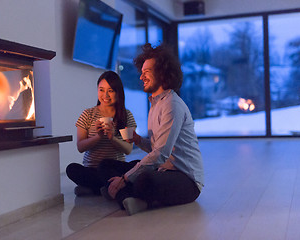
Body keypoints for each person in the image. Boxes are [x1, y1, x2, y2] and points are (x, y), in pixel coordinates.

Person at [98, 43, 204, 215]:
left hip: (186, 180)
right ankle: (129, 197)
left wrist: (125, 178)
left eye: (146, 72)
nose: (141, 77)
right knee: (105, 165)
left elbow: (161, 153)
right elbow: (157, 149)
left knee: (143, 178)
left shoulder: (172, 105)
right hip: (162, 169)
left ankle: (121, 192)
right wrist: (138, 140)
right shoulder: (155, 104)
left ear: (162, 73)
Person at [66, 71, 137, 196]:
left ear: (118, 92)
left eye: (110, 91)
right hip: (92, 169)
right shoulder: (87, 114)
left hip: (113, 168)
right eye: (101, 90)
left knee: (136, 164)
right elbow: (80, 147)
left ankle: (95, 188)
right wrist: (98, 137)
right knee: (71, 169)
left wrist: (112, 138)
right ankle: (107, 187)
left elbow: (128, 149)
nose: (105, 95)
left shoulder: (126, 115)